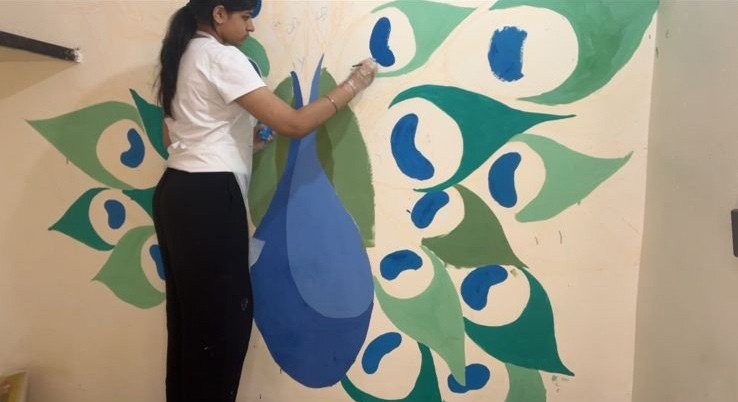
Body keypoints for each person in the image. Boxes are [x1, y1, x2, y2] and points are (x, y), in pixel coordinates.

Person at [152, 1, 377, 401]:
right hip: (208, 201)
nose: (251, 27)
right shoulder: (221, 58)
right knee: (222, 328)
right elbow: (293, 123)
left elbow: (175, 137)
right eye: (245, 17)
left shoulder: (180, 55)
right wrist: (354, 84)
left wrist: (243, 144)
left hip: (176, 193)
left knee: (190, 322)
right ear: (219, 14)